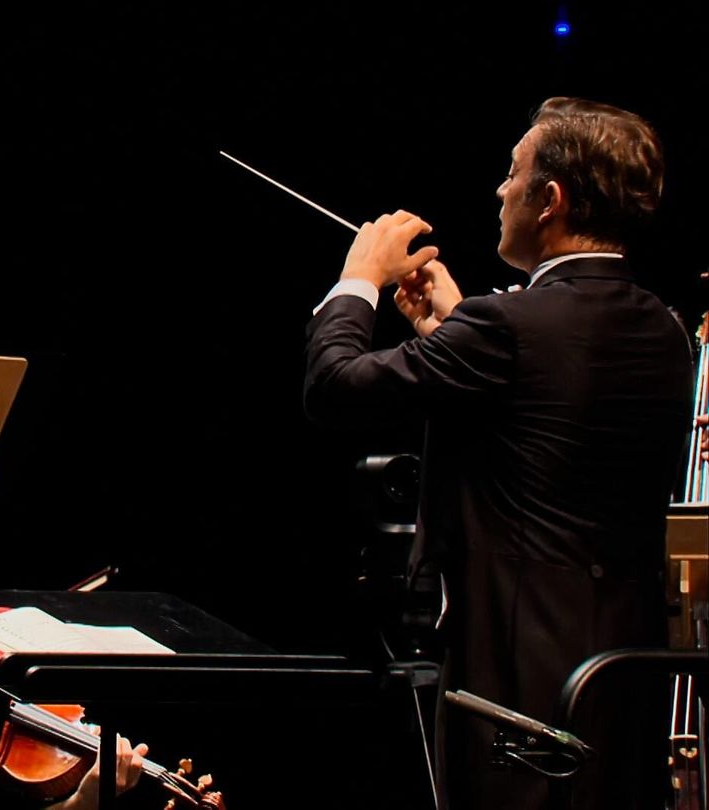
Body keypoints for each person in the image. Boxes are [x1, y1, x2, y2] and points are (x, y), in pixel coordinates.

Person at [303, 97, 690, 809]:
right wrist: (454, 327)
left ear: (551, 200)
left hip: (518, 689)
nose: (500, 190)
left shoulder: (507, 327)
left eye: (513, 175)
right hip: (624, 679)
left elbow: (335, 388)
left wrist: (359, 278)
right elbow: (551, 415)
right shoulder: (666, 330)